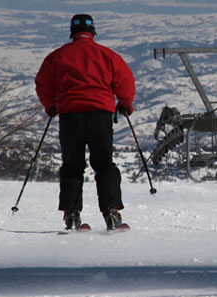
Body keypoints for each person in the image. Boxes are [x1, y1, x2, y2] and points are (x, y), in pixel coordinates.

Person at [35, 14, 136, 230]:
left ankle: (71, 215)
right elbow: (125, 81)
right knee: (104, 165)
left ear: (72, 31)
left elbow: (43, 83)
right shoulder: (108, 55)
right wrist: (125, 103)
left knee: (72, 166)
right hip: (100, 115)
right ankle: (111, 212)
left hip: (70, 116)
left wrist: (50, 105)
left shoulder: (57, 56)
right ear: (93, 32)